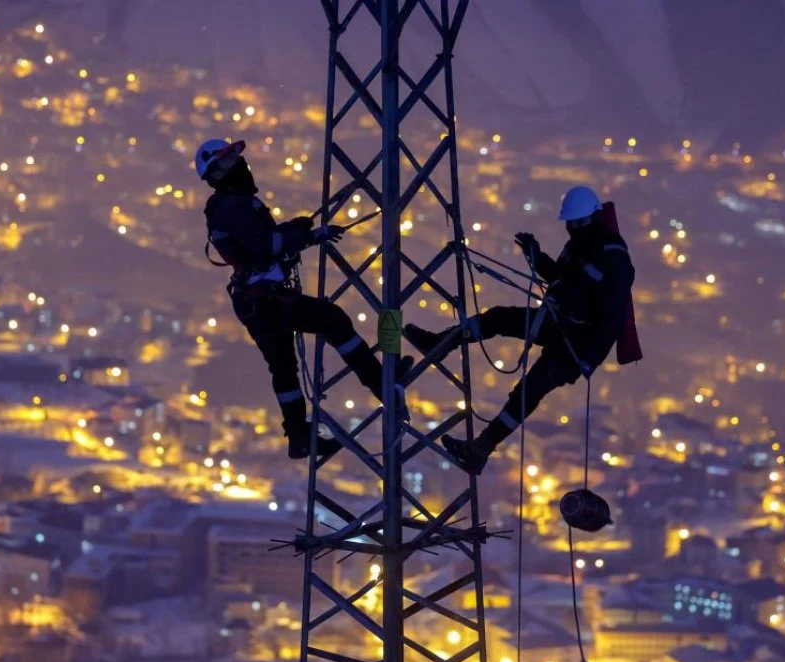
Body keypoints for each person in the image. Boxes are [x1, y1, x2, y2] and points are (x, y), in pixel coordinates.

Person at [197, 138, 410, 460]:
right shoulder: (234, 206)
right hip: (266, 301)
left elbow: (263, 242)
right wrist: (307, 236)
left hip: (258, 302)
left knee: (283, 368)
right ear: (214, 174)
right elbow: (265, 246)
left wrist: (297, 231)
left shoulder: (232, 205)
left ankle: (298, 435)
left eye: (235, 160)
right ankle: (381, 384)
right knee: (332, 320)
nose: (238, 166)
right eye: (227, 164)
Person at [405, 185, 639, 474]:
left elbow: (612, 318)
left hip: (581, 343)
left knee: (530, 389)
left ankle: (481, 448)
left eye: (578, 223)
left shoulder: (612, 256)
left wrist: (587, 360)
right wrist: (536, 256)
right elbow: (561, 278)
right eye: (571, 224)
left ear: (591, 219)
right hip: (561, 322)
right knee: (499, 319)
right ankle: (439, 344)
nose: (574, 229)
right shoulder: (580, 246)